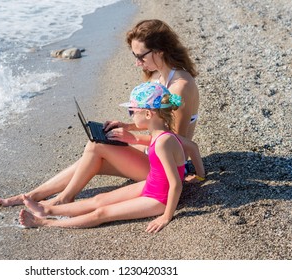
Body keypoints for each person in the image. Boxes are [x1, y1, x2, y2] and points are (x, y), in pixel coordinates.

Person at [0, 19, 202, 207]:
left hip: (162, 167)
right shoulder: (158, 76)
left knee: (95, 147)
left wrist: (133, 138)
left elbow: (178, 144)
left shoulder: (180, 86)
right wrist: (125, 126)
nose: (137, 62)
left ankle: (64, 198)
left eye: (140, 56)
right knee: (92, 158)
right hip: (152, 155)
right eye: (134, 55)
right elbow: (155, 121)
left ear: (160, 51)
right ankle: (33, 195)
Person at [18, 82, 193, 232]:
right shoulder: (160, 136)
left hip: (158, 199)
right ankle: (46, 210)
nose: (130, 116)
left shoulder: (163, 141)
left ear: (148, 114)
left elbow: (176, 184)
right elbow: (193, 148)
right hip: (150, 185)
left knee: (102, 213)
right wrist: (200, 175)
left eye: (132, 112)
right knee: (98, 200)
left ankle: (44, 222)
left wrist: (166, 216)